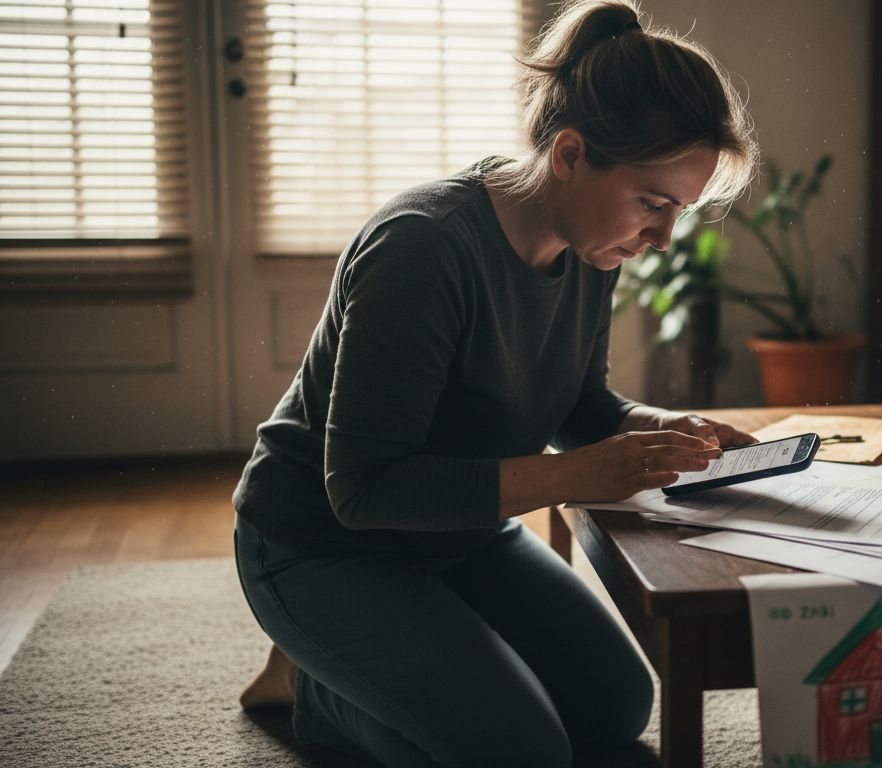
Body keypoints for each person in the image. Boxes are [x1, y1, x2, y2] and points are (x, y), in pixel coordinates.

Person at [230, 2, 758, 766]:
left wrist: (657, 427)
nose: (663, 238)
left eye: (679, 211)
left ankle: (371, 662)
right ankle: (312, 685)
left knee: (615, 706)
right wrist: (572, 476)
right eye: (653, 204)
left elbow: (580, 405)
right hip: (321, 546)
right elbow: (363, 490)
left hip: (461, 533)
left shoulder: (591, 246)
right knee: (523, 753)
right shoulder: (423, 248)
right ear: (570, 155)